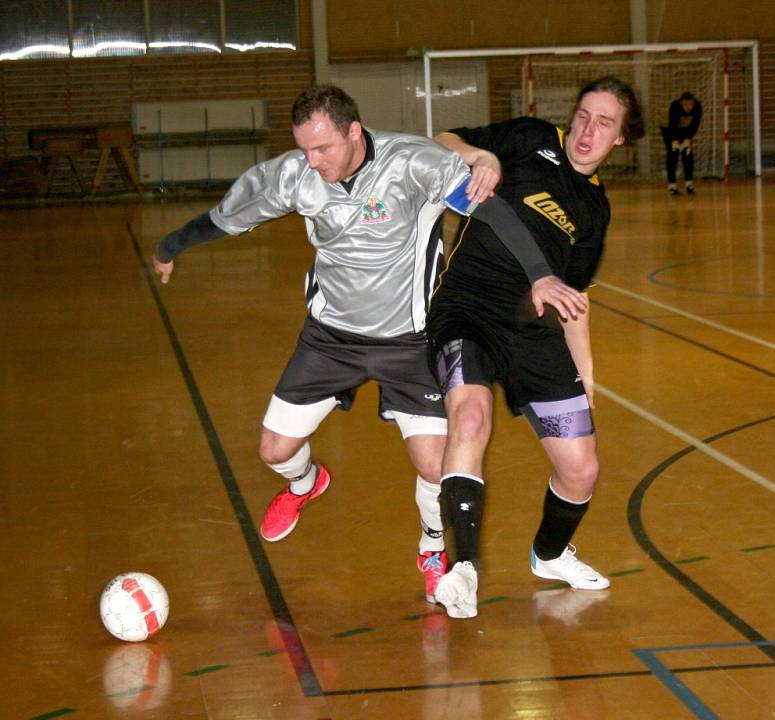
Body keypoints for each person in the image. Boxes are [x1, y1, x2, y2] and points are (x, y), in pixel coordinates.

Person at [152, 84, 586, 605]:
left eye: (323, 149)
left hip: (410, 340)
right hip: (331, 337)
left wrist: (539, 274)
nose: (312, 162)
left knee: (435, 466)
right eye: (304, 149)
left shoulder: (412, 164)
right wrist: (169, 245)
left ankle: (431, 547)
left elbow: (491, 211)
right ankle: (304, 484)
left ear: (354, 132)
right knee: (274, 450)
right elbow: (226, 216)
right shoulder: (295, 176)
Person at [427, 76, 645, 618]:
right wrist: (481, 156)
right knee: (471, 418)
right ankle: (465, 570)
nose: (587, 131)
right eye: (583, 115)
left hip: (533, 331)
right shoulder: (528, 137)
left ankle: (549, 554)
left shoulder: (595, 212)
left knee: (581, 468)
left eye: (604, 123)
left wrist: (587, 374)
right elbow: (441, 139)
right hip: (467, 309)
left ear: (621, 139)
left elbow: (573, 299)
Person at [660, 91, 702, 195]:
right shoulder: (674, 106)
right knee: (672, 154)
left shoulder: (697, 106)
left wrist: (688, 138)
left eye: (690, 104)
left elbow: (695, 124)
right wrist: (674, 141)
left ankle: (689, 184)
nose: (689, 107)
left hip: (685, 127)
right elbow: (673, 125)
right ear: (681, 103)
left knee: (687, 154)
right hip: (667, 127)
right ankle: (672, 185)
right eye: (686, 104)